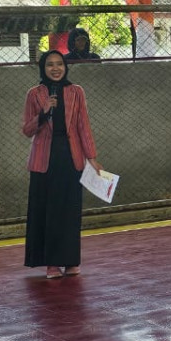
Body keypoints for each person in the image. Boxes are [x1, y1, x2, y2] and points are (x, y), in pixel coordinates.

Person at [22, 50, 101, 279]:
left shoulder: (76, 92)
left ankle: (71, 262)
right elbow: (27, 130)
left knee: (69, 212)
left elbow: (83, 126)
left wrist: (92, 158)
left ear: (65, 67)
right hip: (43, 161)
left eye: (59, 64)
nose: (55, 69)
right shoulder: (34, 94)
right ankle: (52, 264)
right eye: (49, 65)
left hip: (71, 157)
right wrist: (44, 113)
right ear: (42, 69)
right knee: (47, 212)